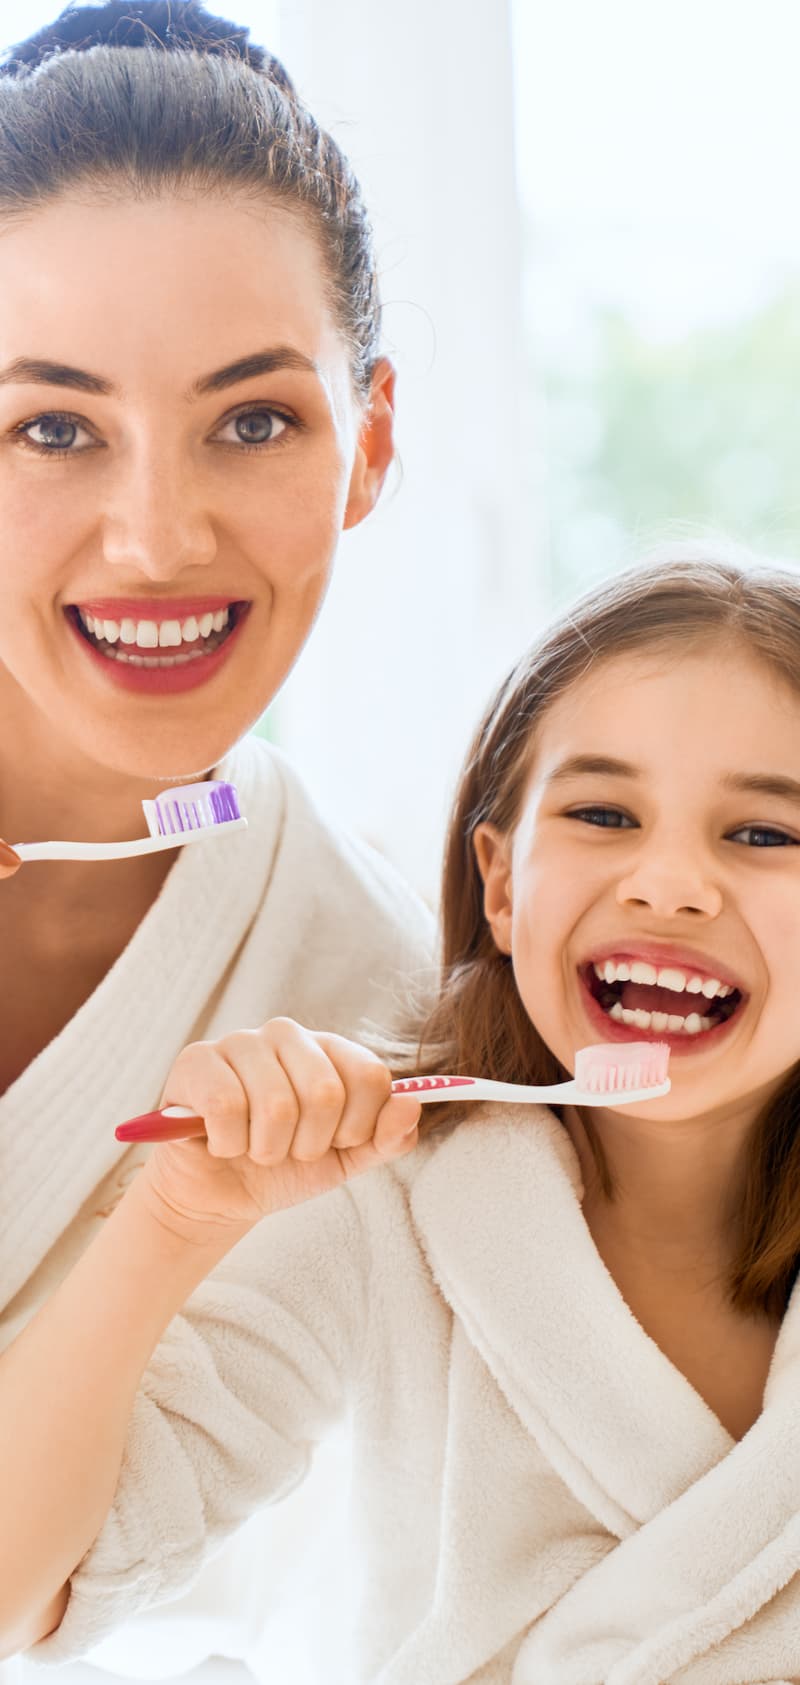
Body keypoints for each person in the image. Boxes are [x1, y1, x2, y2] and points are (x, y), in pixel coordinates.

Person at [9, 542, 800, 1684]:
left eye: (764, 833)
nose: (668, 882)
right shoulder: (385, 1200)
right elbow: (22, 1588)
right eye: (600, 813)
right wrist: (172, 1221)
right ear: (499, 882)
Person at [0, 0, 435, 1674]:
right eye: (51, 427)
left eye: (254, 419)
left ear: (370, 443)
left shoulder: (367, 1000)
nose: (158, 534)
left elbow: (31, 1589)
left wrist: (172, 1226)